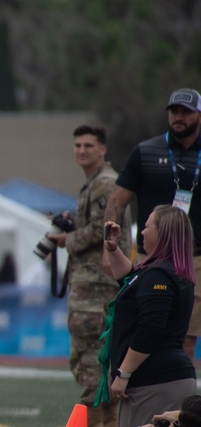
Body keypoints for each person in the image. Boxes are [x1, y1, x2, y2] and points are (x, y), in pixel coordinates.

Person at [105, 88, 201, 360]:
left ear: (199, 116)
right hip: (151, 258)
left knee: (184, 339)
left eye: (186, 112)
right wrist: (107, 247)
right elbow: (117, 201)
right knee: (145, 327)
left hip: (195, 259)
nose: (178, 117)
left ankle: (180, 401)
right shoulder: (146, 151)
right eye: (174, 112)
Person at [48, 125, 127, 427]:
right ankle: (107, 419)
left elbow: (103, 229)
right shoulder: (98, 183)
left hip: (95, 283)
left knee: (88, 350)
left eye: (88, 146)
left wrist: (66, 239)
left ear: (102, 149)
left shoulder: (103, 183)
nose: (81, 151)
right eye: (77, 145)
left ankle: (90, 419)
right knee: (100, 349)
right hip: (98, 281)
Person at [100, 206, 196, 427]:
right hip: (166, 378)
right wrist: (113, 249)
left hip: (155, 381)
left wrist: (124, 373)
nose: (142, 231)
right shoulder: (166, 271)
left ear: (161, 233)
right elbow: (130, 280)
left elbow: (150, 328)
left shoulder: (159, 276)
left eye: (147, 225)